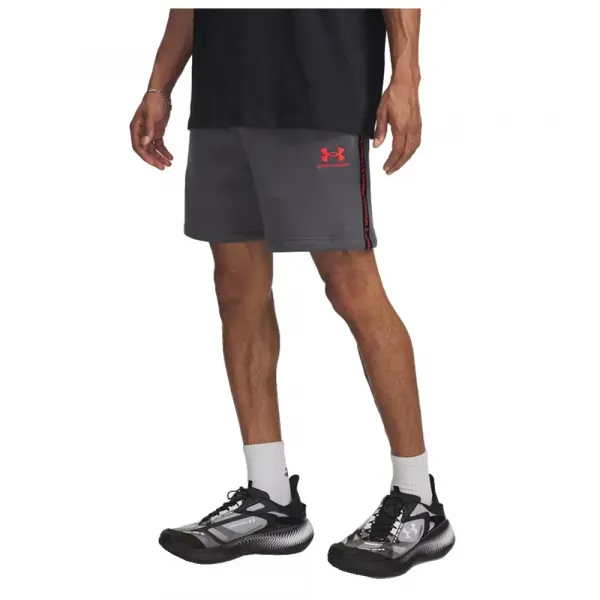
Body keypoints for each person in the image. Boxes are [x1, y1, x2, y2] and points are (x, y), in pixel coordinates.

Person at [130, 8, 454, 578]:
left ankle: (418, 500)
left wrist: (407, 74)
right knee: (236, 288)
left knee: (351, 286)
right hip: (224, 92)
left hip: (319, 87)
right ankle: (269, 497)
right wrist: (160, 84)